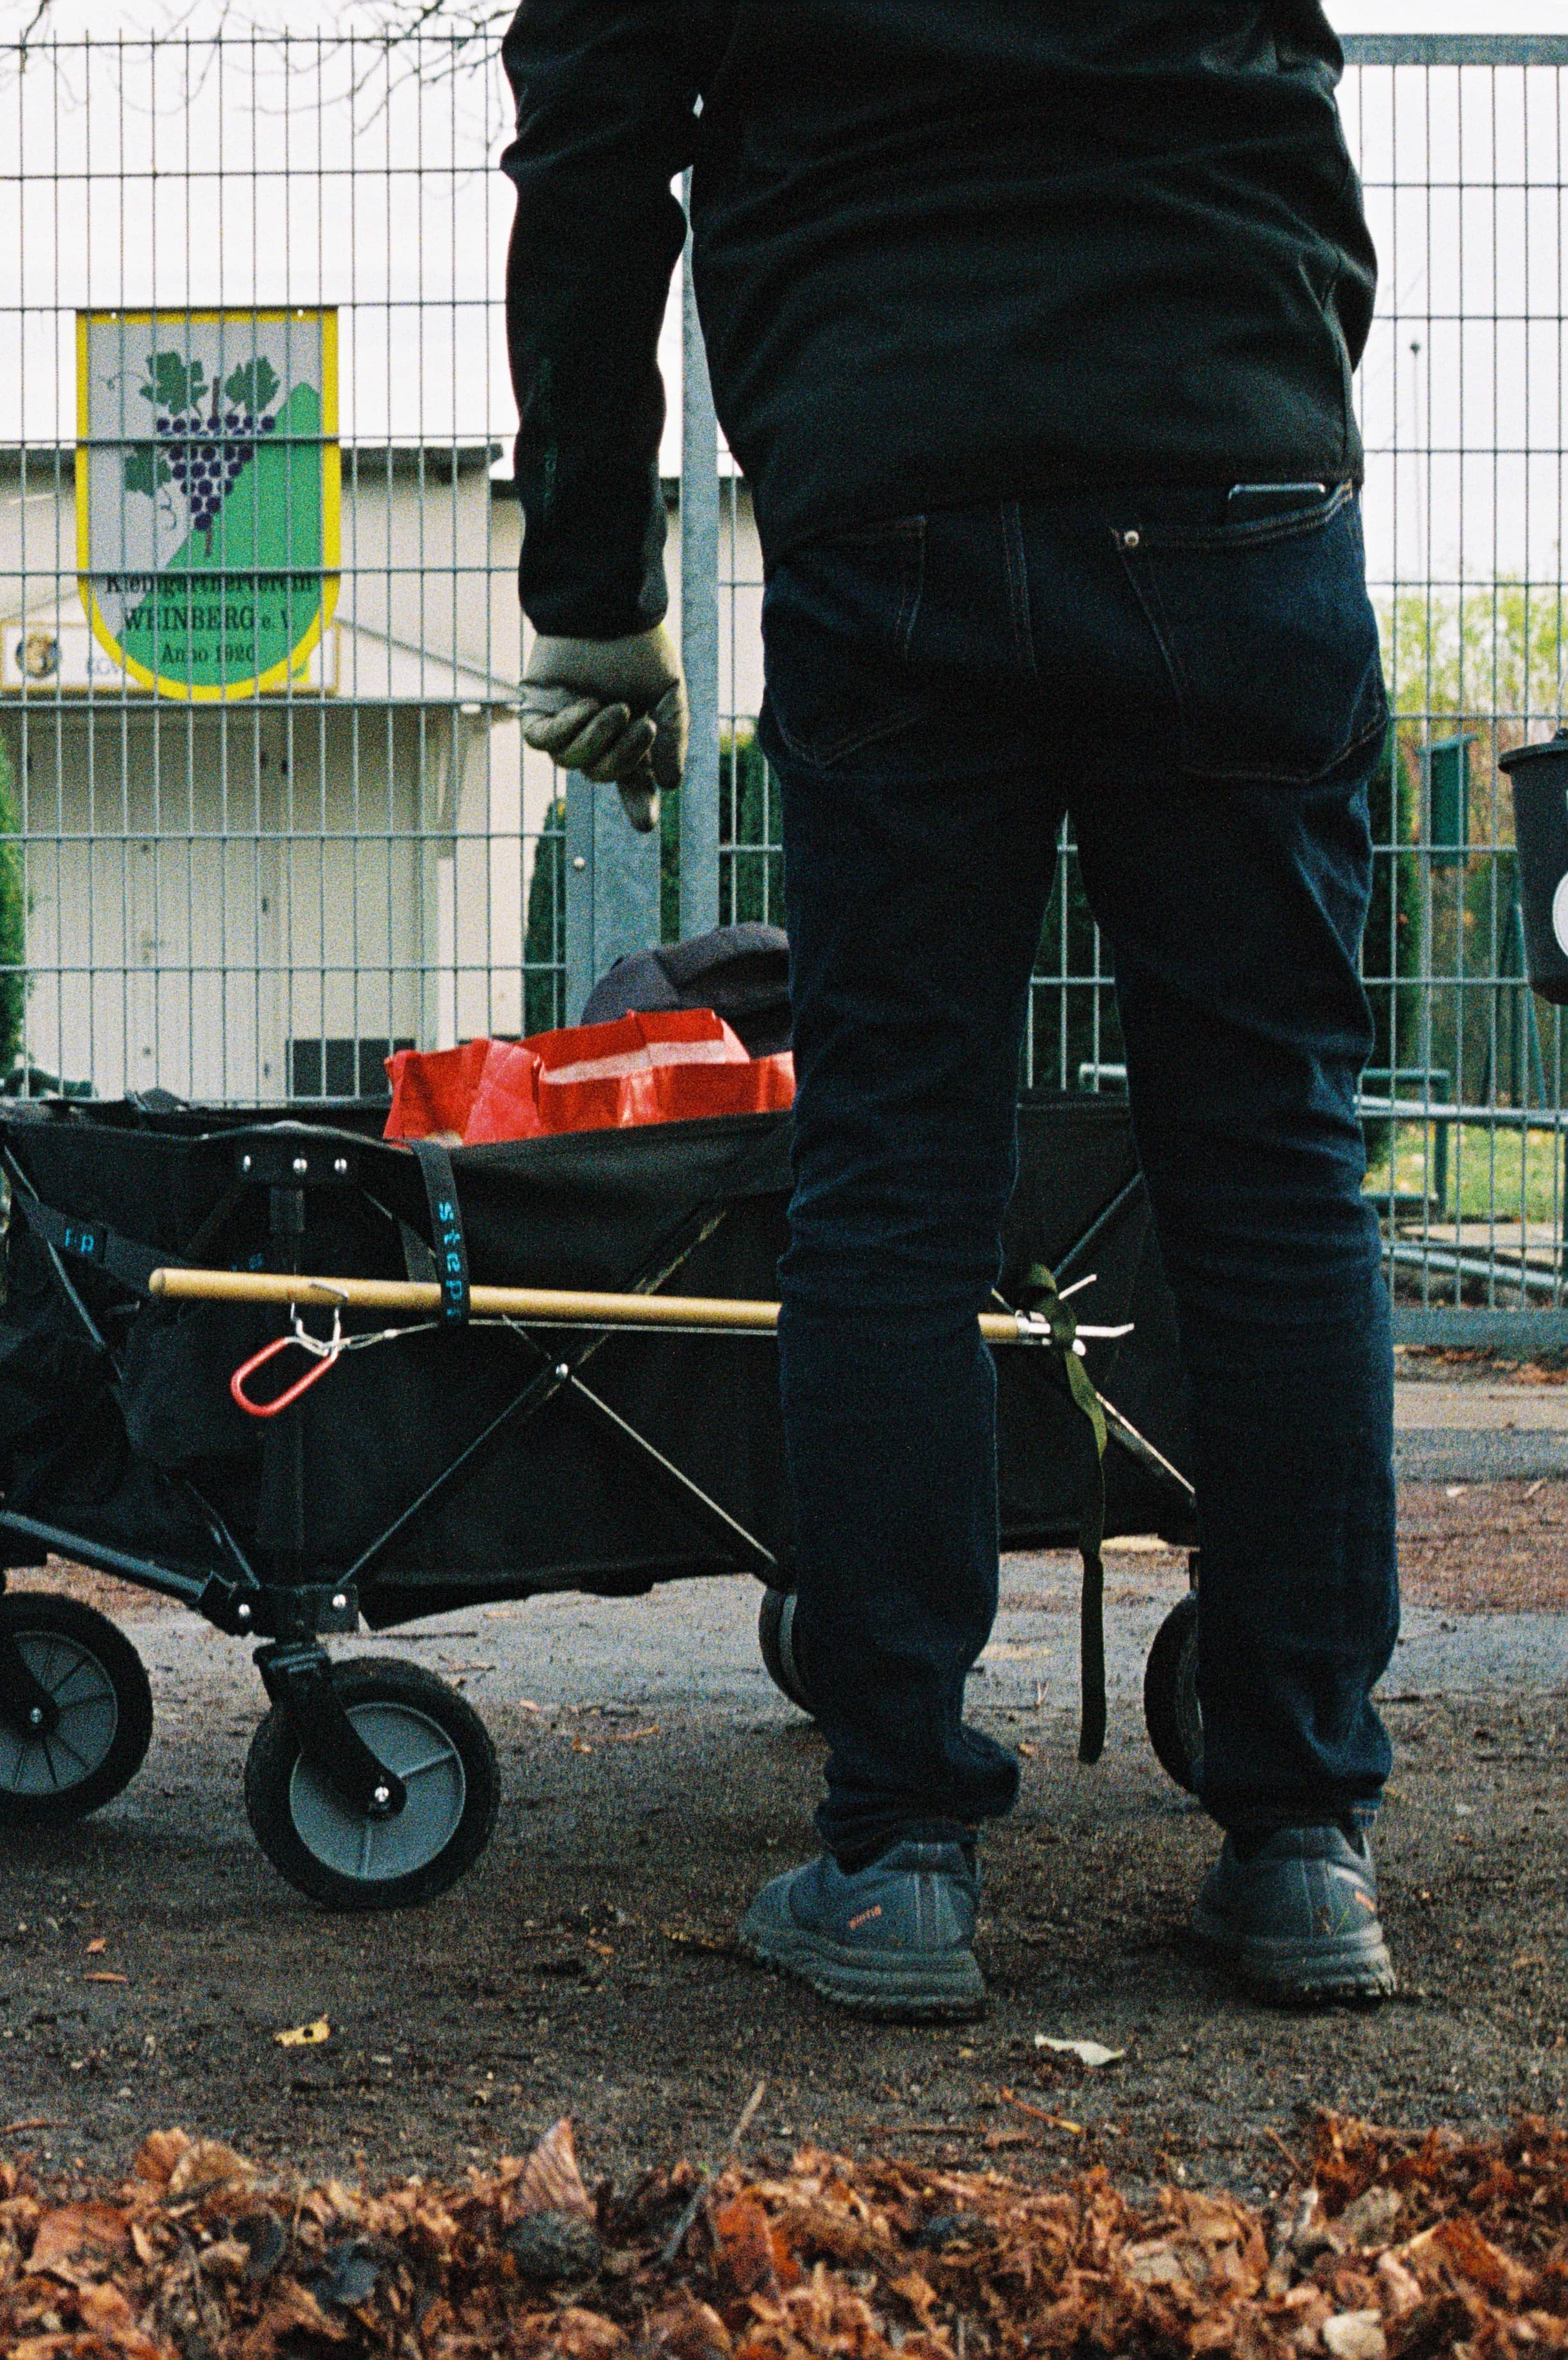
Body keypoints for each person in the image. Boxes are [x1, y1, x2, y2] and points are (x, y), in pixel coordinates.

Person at [501, 2, 1401, 2018]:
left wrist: (591, 582)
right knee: (1272, 1158)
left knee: (893, 1164)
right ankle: (1299, 1838)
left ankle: (897, 1848)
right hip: (1224, 430)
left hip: (891, 451)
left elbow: (590, 139)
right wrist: (1267, 353)